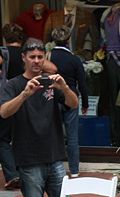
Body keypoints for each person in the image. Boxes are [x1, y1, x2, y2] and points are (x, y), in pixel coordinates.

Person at [0, 39, 79, 197]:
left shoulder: (52, 84)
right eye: (32, 57)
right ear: (23, 57)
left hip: (54, 156)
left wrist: (64, 88)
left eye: (40, 57)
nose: (36, 61)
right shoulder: (14, 85)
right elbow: (3, 112)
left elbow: (73, 104)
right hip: (29, 158)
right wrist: (25, 94)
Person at [0, 23, 26, 190]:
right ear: (20, 38)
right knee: (20, 136)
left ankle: (12, 175)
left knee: (0, 138)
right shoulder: (26, 54)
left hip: (6, 99)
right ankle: (23, 173)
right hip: (23, 98)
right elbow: (51, 68)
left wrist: (5, 79)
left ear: (5, 38)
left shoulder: (2, 52)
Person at [48, 25, 89, 177]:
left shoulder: (48, 57)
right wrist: (85, 104)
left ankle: (55, 168)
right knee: (72, 136)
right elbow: (82, 83)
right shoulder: (74, 59)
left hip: (53, 98)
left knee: (54, 135)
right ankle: (75, 171)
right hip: (70, 97)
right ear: (68, 40)